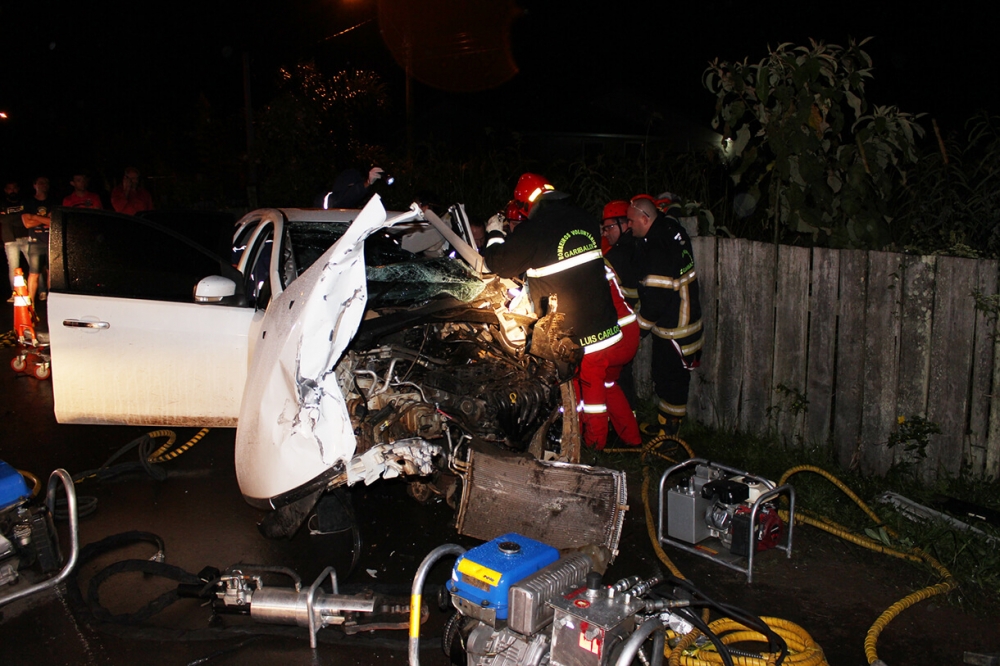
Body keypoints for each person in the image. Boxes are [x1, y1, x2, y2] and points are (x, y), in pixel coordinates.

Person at [481, 173, 639, 449]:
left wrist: (495, 233)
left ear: (527, 203)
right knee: (603, 386)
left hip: (576, 334)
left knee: (591, 397)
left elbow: (498, 263)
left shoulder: (536, 230)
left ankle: (594, 445)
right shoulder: (584, 218)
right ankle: (628, 437)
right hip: (605, 324)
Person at [627, 196, 704, 436]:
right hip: (681, 322)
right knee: (666, 378)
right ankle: (664, 426)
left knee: (671, 383)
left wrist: (637, 331)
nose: (628, 226)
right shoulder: (671, 229)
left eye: (631, 221)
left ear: (644, 218)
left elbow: (656, 301)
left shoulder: (658, 247)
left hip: (674, 327)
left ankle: (670, 436)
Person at [21, 176, 56, 302]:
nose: (44, 185)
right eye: (41, 183)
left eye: (46, 182)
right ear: (34, 185)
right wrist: (44, 219)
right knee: (34, 273)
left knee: (51, 274)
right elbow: (27, 223)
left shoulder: (53, 202)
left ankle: (51, 302)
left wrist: (34, 217)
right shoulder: (28, 202)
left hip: (51, 241)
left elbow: (53, 221)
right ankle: (30, 304)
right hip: (35, 242)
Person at [601, 200, 639, 305]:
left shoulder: (618, 255)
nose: (605, 233)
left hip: (631, 313)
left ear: (625, 224)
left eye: (609, 228)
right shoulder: (640, 243)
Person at [2, 180, 27, 300]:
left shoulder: (25, 201)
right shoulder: (2, 203)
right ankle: (15, 293)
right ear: (6, 190)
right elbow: (3, 219)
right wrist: (19, 218)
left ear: (18, 189)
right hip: (10, 238)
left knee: (34, 266)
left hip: (26, 236)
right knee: (13, 267)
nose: (12, 191)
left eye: (14, 188)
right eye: (9, 188)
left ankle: (41, 291)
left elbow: (27, 217)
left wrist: (13, 218)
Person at [316, 167, 384, 209]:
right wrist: (367, 183)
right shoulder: (327, 200)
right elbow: (345, 199)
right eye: (351, 187)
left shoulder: (358, 205)